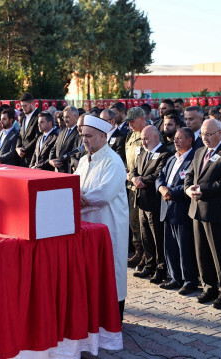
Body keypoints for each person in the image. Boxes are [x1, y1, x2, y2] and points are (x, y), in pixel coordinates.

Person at [74, 114, 129, 320]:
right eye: (83, 136)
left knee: (111, 270)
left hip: (109, 224)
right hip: (87, 226)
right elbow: (76, 187)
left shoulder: (113, 162)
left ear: (103, 137)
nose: (85, 140)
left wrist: (77, 197)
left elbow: (103, 195)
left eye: (89, 136)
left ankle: (114, 319)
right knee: (91, 271)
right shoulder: (83, 160)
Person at [184, 118, 221, 309]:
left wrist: (202, 189)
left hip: (218, 212)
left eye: (209, 134)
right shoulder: (199, 151)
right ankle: (209, 287)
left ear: (220, 133)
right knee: (201, 253)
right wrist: (188, 190)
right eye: (202, 134)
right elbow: (190, 175)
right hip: (197, 210)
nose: (205, 138)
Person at [156, 127, 198, 294]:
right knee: (170, 247)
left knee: (185, 248)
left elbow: (190, 183)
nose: (175, 140)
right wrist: (161, 188)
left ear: (189, 140)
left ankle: (189, 281)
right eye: (175, 138)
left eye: (180, 138)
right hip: (167, 208)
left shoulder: (194, 158)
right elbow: (160, 176)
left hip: (182, 210)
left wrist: (171, 192)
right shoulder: (172, 158)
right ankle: (175, 277)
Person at [129, 125, 173, 283]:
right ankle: (149, 265)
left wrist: (142, 181)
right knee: (145, 236)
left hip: (155, 202)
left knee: (157, 238)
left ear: (156, 137)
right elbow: (134, 169)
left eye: (146, 139)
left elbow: (158, 174)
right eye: (142, 139)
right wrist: (134, 178)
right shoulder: (143, 152)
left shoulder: (165, 154)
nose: (144, 142)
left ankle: (161, 269)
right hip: (142, 201)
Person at [124, 107, 147, 269]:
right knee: (133, 219)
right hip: (130, 184)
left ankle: (147, 253)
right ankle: (138, 250)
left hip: (142, 184)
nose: (130, 124)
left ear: (141, 118)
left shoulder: (149, 133)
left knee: (143, 220)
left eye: (133, 121)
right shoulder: (131, 136)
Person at [49, 106, 80, 173]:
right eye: (64, 117)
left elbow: (76, 152)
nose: (65, 120)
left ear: (76, 116)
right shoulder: (62, 131)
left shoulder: (79, 132)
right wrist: (51, 160)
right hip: (57, 171)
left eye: (67, 117)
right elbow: (54, 148)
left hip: (70, 171)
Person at [16, 93, 41, 167]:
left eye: (25, 106)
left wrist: (24, 149)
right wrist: (17, 148)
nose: (23, 108)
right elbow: (20, 135)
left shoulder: (39, 116)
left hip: (33, 158)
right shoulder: (23, 117)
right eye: (22, 106)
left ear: (33, 104)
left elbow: (37, 137)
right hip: (22, 158)